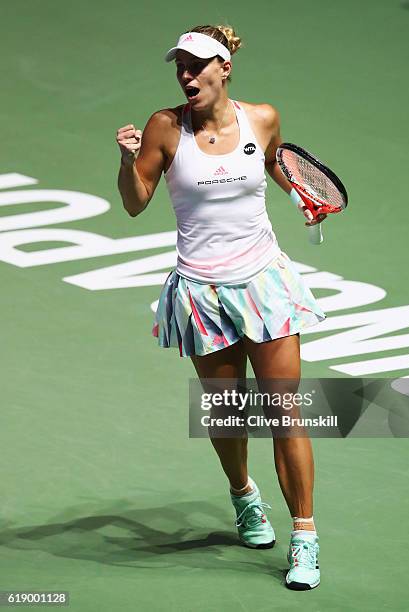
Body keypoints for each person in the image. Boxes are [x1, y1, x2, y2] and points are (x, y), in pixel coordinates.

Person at [116, 24, 326, 591]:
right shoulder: (165, 127)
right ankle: (244, 495)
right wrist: (127, 161)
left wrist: (302, 197)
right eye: (179, 67)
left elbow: (276, 162)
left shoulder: (262, 118)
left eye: (196, 65)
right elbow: (136, 202)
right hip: (203, 294)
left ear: (223, 68)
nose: (186, 75)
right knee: (231, 412)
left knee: (286, 414)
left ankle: (304, 535)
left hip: (265, 284)